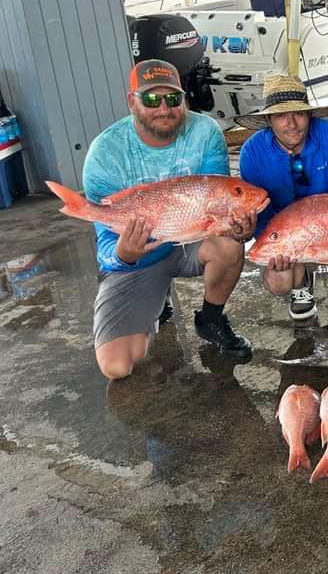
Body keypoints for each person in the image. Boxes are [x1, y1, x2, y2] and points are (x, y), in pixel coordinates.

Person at [84, 60, 254, 380]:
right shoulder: (104, 152)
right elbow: (105, 239)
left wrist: (239, 229)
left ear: (183, 100)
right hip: (142, 255)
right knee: (117, 367)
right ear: (131, 100)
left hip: (190, 239)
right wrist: (123, 256)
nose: (164, 108)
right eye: (151, 99)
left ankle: (211, 319)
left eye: (173, 99)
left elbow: (222, 200)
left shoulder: (204, 131)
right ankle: (157, 297)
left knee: (229, 244)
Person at [238, 74, 328, 326]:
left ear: (310, 115)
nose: (292, 123)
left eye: (299, 114)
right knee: (278, 283)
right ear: (268, 120)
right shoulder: (251, 152)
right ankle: (300, 284)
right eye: (281, 116)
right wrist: (276, 248)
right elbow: (261, 215)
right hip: (291, 236)